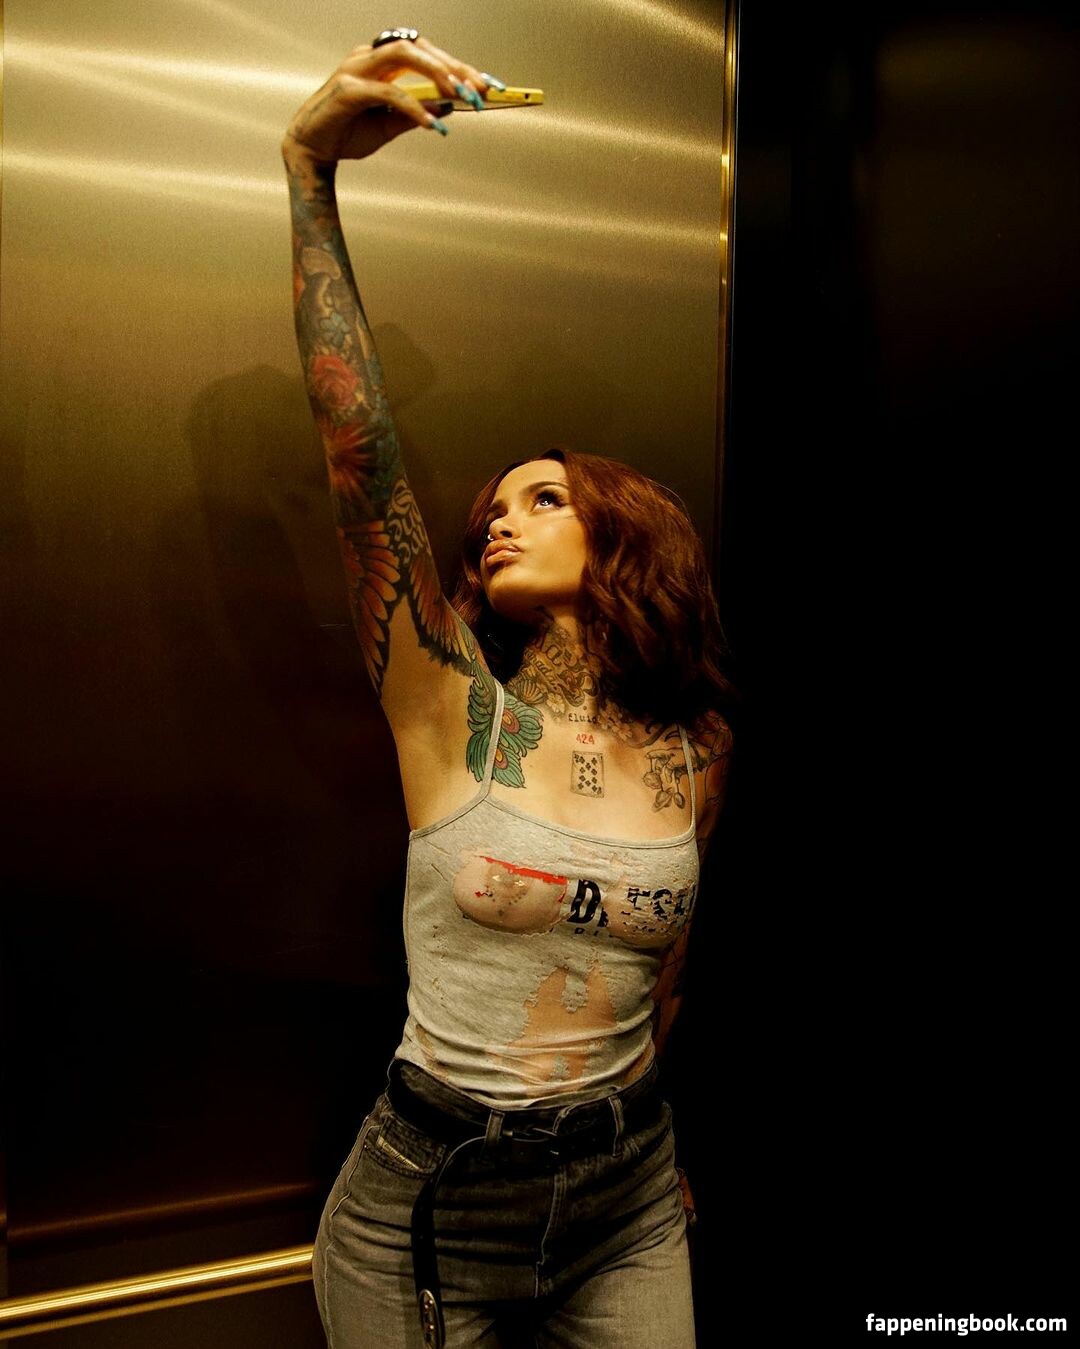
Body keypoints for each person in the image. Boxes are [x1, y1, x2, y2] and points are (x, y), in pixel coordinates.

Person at [283, 30, 733, 1349]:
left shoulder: (697, 747)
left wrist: (641, 1138)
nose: (498, 519)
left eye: (545, 499)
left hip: (629, 1199)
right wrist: (309, 174)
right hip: (428, 1210)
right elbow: (360, 454)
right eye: (493, 507)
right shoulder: (452, 706)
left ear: (628, 531)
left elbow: (662, 974)